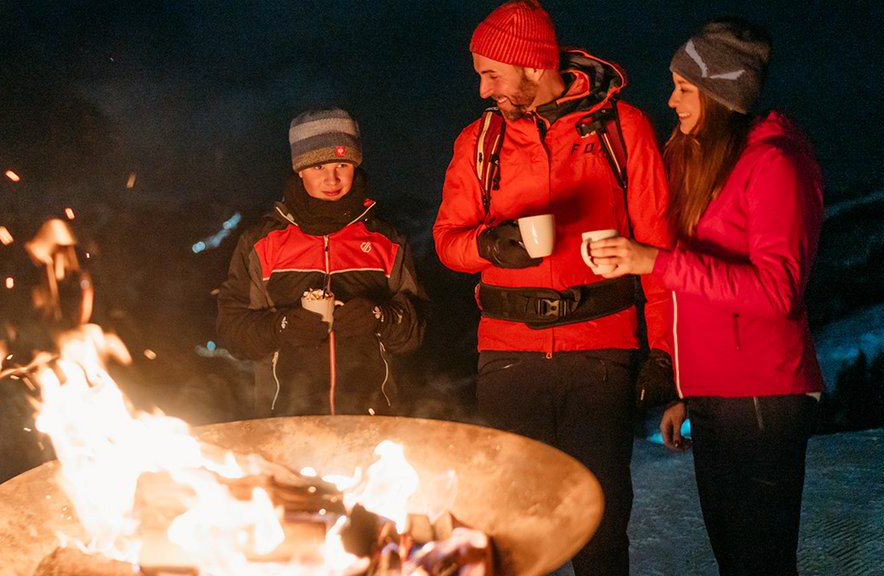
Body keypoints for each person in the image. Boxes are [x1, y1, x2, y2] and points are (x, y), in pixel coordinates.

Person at [433, 2, 674, 574]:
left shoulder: (623, 129)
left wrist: (664, 353)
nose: (482, 87)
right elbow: (448, 241)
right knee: (509, 532)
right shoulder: (479, 142)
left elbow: (659, 252)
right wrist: (489, 245)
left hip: (601, 356)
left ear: (531, 67)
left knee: (601, 525)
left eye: (491, 73)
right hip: (509, 359)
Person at [589, 18, 824, 576]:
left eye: (684, 88)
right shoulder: (709, 163)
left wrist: (656, 262)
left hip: (763, 400)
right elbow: (701, 300)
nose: (671, 101)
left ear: (722, 92)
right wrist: (683, 393)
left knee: (759, 563)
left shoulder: (775, 164)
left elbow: (777, 290)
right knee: (733, 559)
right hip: (716, 397)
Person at [217, 108, 427, 417]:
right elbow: (231, 330)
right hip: (286, 421)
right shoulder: (261, 242)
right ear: (299, 170)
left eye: (342, 164)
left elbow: (416, 330)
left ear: (355, 165)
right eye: (317, 166)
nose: (332, 178)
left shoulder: (387, 241)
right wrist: (281, 326)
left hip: (372, 421)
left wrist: (379, 316)